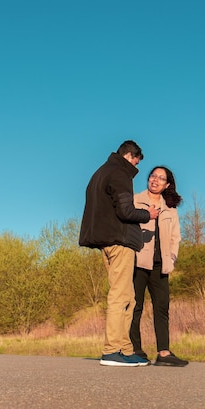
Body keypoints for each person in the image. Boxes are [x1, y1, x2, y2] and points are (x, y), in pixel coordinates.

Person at [79, 140, 159, 367]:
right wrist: (147, 214)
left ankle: (125, 349)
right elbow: (125, 210)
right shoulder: (119, 173)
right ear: (130, 156)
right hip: (119, 241)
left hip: (107, 241)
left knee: (129, 297)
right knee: (120, 295)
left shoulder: (99, 173)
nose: (137, 168)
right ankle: (112, 350)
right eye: (136, 161)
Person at [129, 166, 189, 367]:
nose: (155, 180)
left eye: (160, 178)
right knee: (135, 307)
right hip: (137, 262)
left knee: (162, 308)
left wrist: (171, 258)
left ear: (167, 185)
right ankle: (135, 350)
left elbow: (175, 237)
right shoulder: (135, 200)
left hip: (160, 265)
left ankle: (163, 353)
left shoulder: (170, 208)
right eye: (153, 176)